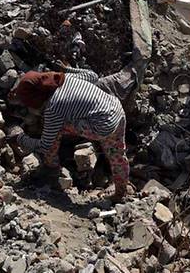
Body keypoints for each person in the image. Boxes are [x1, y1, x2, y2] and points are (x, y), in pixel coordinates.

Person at [8, 67, 131, 201]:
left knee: (56, 131)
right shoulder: (63, 78)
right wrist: (67, 69)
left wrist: (20, 139)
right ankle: (120, 192)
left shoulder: (53, 108)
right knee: (117, 155)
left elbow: (44, 145)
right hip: (115, 109)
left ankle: (51, 167)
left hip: (100, 127)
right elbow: (93, 75)